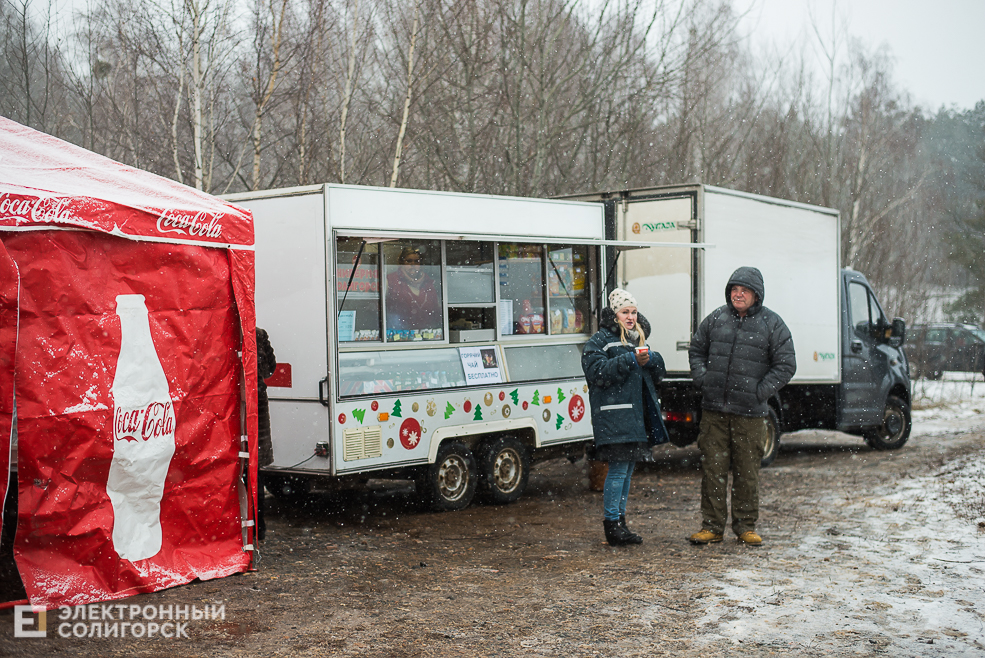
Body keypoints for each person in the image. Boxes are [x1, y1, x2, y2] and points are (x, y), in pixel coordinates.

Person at [687, 267, 796, 546]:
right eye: (734, 289)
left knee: (747, 472)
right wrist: (703, 378)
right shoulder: (716, 319)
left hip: (750, 414)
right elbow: (697, 349)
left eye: (744, 290)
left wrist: (759, 392)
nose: (738, 294)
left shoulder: (773, 324)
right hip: (714, 412)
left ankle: (746, 527)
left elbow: (786, 365)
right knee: (713, 470)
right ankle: (711, 526)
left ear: (756, 295)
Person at [582, 289, 669, 546]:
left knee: (627, 470)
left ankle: (620, 523)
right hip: (614, 417)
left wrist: (651, 359)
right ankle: (612, 524)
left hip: (634, 418)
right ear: (614, 314)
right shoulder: (599, 342)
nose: (630, 317)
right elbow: (597, 373)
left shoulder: (637, 340)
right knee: (619, 470)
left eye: (633, 312)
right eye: (625, 312)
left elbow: (657, 374)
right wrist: (631, 360)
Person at [385, 246, 442, 336]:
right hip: (398, 337)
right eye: (409, 261)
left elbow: (438, 310)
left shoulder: (429, 283)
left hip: (427, 336)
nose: (413, 264)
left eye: (416, 261)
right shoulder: (390, 280)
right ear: (401, 263)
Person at [256, 327, 277, 541]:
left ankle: (251, 526)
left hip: (241, 410)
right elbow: (271, 369)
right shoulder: (259, 334)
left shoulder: (223, 332)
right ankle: (258, 528)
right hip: (258, 407)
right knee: (255, 474)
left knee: (248, 474)